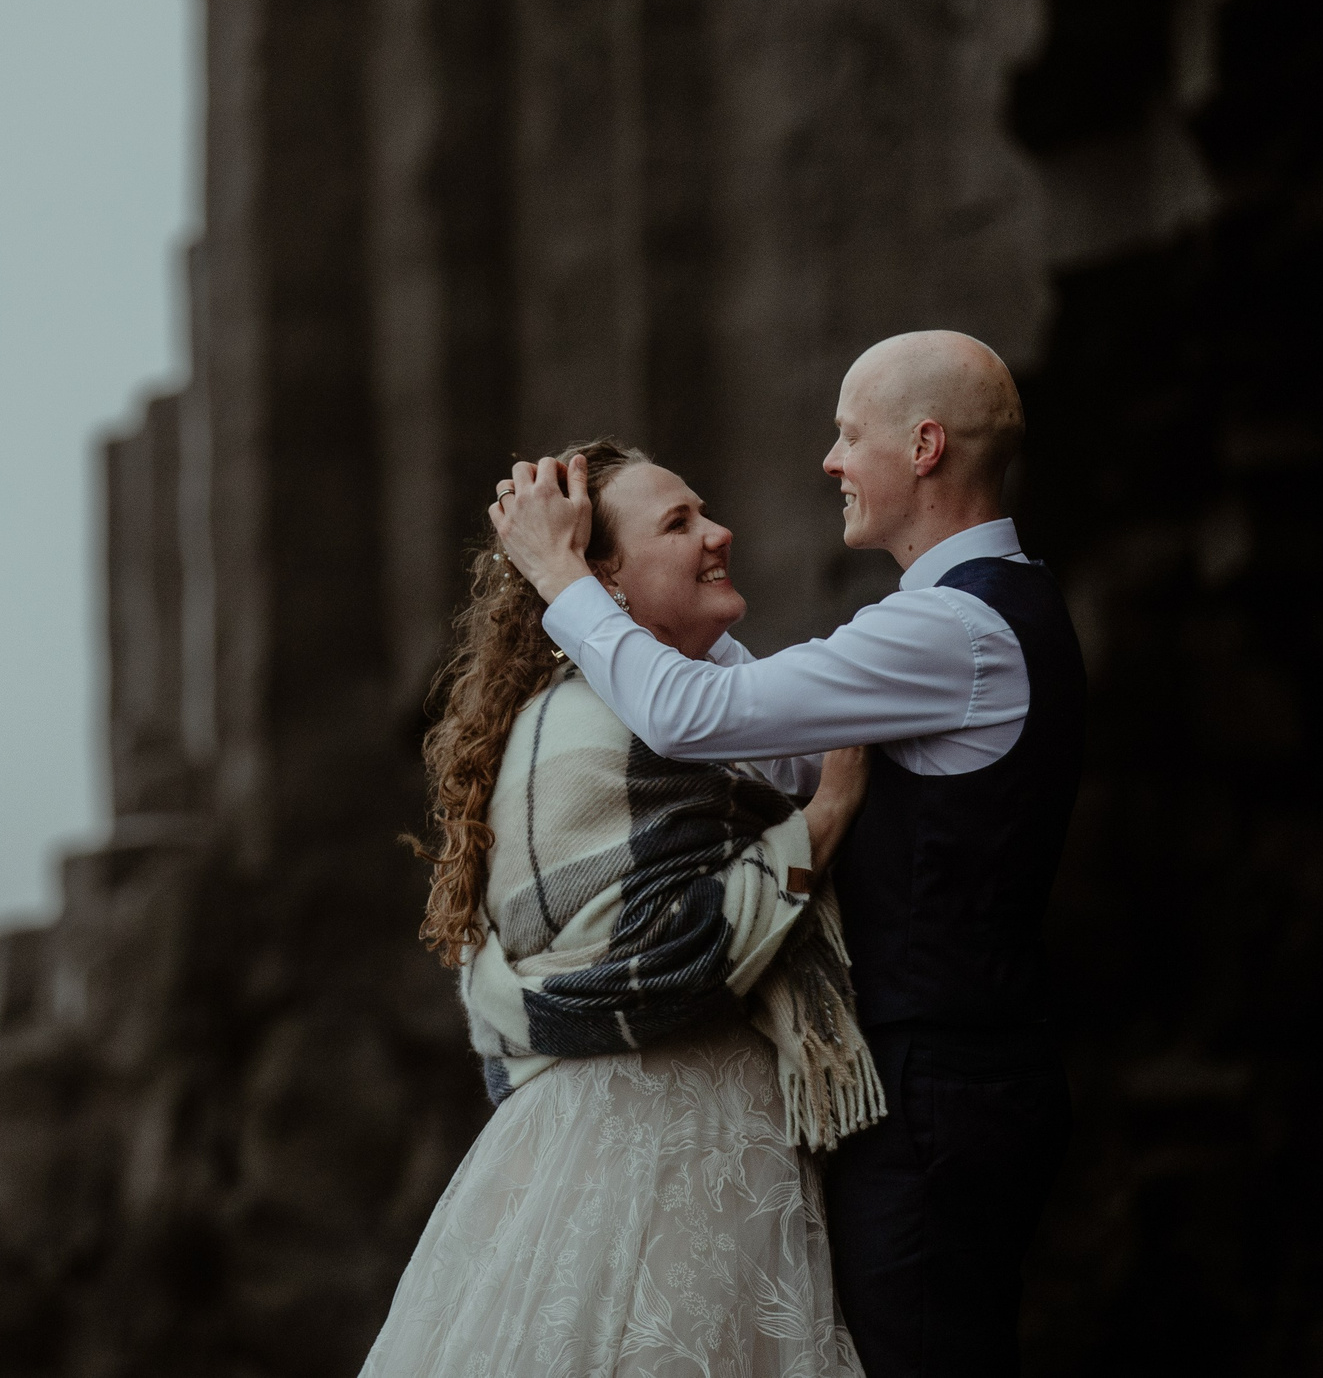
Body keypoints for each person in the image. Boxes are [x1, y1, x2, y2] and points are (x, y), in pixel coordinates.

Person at [491, 333, 1082, 1378]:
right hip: (951, 1078)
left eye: (850, 434)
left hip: (936, 1091)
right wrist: (664, 608)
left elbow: (694, 715)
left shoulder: (950, 633)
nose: (829, 460)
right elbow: (764, 734)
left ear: (927, 446)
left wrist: (557, 577)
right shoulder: (973, 619)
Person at [361, 440, 883, 1378]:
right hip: (649, 1167)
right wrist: (823, 822)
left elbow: (719, 706)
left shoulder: (687, 718)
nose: (721, 533)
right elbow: (661, 946)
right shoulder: (587, 730)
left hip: (708, 1154)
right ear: (602, 577)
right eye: (679, 522)